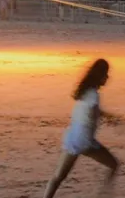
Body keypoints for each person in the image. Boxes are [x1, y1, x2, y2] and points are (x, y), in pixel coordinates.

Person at [43, 59, 119, 198]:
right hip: (84, 141)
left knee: (58, 176)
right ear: (99, 76)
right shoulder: (94, 96)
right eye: (105, 74)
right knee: (114, 165)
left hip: (73, 138)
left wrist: (109, 117)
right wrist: (98, 116)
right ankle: (104, 194)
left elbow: (93, 109)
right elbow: (92, 107)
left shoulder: (85, 91)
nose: (107, 78)